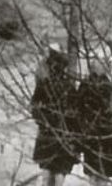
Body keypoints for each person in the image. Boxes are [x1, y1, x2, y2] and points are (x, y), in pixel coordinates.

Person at [31, 44, 80, 185]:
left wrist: (43, 122)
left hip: (47, 131)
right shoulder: (68, 87)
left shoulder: (44, 85)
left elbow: (34, 107)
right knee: (60, 168)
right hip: (63, 133)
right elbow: (74, 113)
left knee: (47, 167)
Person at [76, 61, 112, 182]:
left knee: (94, 169)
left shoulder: (86, 85)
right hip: (105, 133)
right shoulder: (107, 85)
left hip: (92, 133)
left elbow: (78, 108)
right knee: (103, 170)